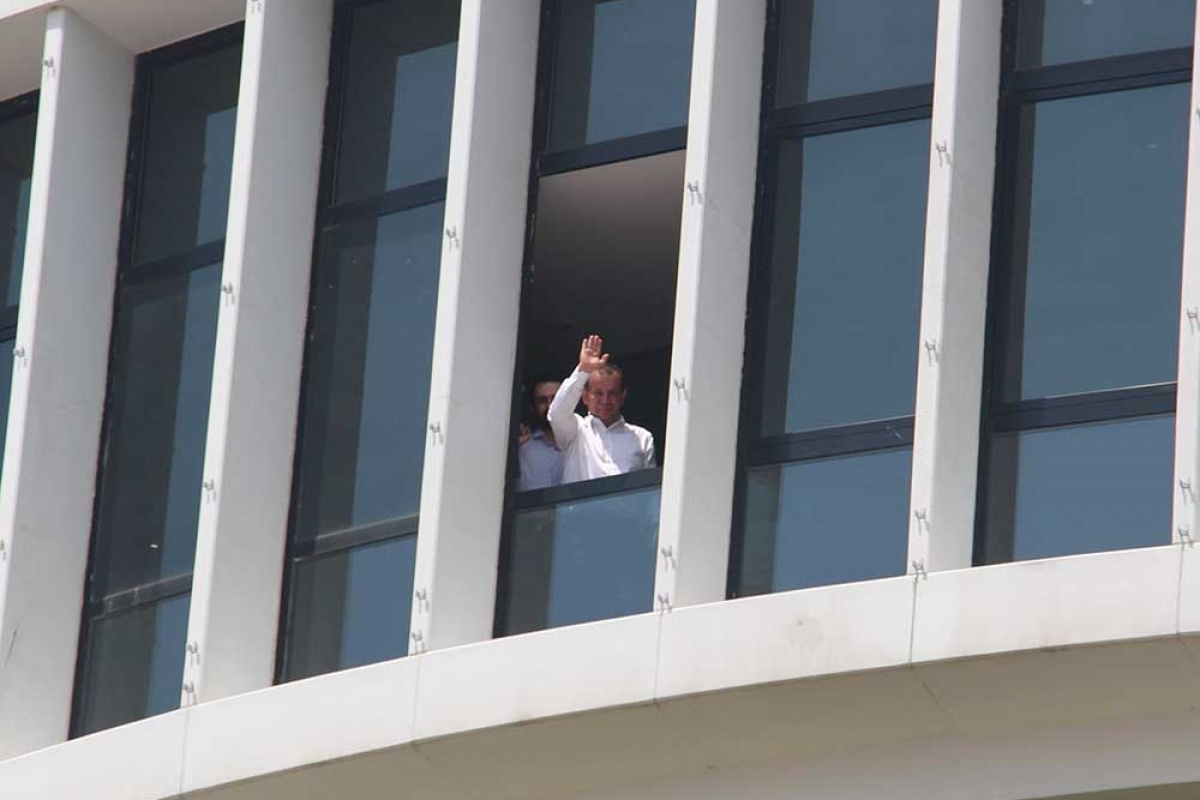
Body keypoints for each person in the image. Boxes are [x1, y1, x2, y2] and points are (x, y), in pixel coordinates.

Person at [547, 334, 655, 484]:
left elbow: (648, 490)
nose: (605, 400)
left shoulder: (642, 438)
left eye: (612, 393)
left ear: (622, 396)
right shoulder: (576, 431)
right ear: (585, 397)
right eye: (598, 393)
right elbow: (556, 414)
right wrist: (583, 370)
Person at [517, 377, 564, 491]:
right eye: (542, 400)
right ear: (533, 407)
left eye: (555, 399)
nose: (549, 406)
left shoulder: (583, 442)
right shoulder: (523, 448)